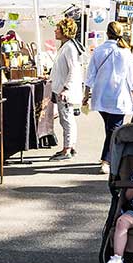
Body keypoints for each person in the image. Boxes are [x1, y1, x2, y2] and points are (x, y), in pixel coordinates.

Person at [86, 21, 133, 174]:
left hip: (101, 96)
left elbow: (90, 75)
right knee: (113, 129)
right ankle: (107, 160)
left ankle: (110, 157)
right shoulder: (125, 52)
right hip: (119, 96)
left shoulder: (98, 51)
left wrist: (86, 94)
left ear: (107, 32)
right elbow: (132, 79)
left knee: (111, 129)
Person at [49, 18, 84, 161]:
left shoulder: (69, 47)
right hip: (62, 88)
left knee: (67, 119)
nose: (55, 30)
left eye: (58, 28)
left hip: (65, 91)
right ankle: (69, 146)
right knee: (65, 119)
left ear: (65, 31)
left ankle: (67, 148)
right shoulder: (66, 46)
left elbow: (73, 70)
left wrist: (66, 88)